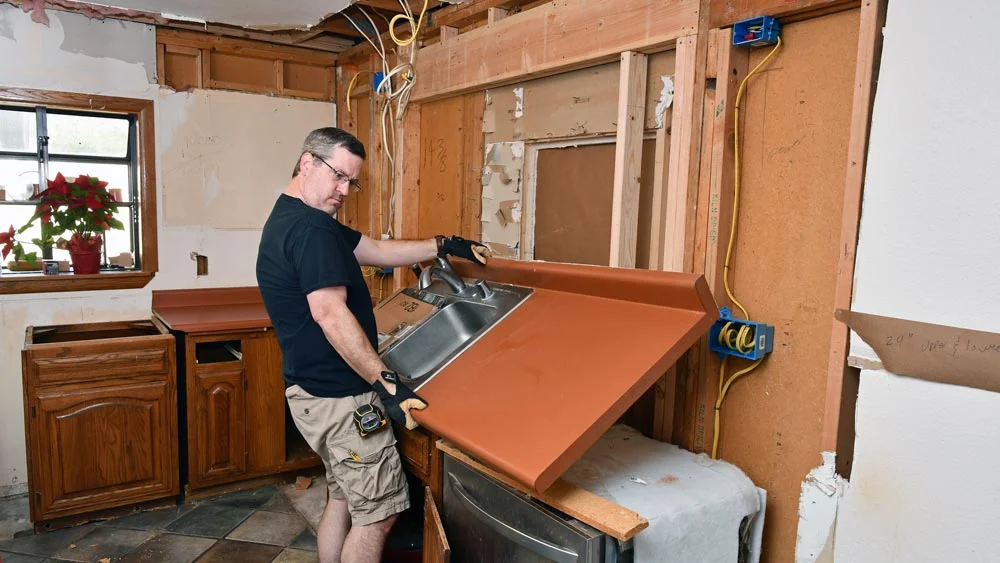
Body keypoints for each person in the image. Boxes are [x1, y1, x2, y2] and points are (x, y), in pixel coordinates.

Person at [255, 127, 490, 563]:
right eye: (338, 176)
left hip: (312, 394)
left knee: (342, 499)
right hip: (342, 400)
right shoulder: (312, 229)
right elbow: (329, 314)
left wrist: (443, 244)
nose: (345, 191)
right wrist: (387, 383)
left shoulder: (293, 216)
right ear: (307, 163)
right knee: (379, 516)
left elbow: (377, 250)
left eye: (352, 182)